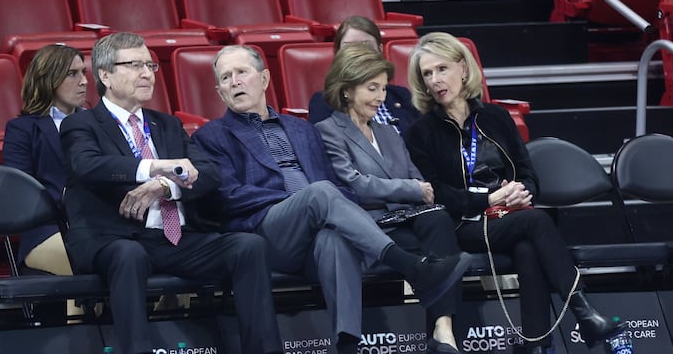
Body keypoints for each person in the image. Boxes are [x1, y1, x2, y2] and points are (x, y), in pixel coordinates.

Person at [192, 44, 471, 354]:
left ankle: (347, 344)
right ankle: (413, 267)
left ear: (265, 78)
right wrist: (302, 201)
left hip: (314, 230)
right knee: (320, 192)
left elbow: (342, 187)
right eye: (226, 78)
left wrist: (318, 206)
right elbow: (229, 198)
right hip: (266, 231)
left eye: (241, 72)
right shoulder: (211, 137)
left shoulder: (301, 129)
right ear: (219, 92)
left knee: (333, 241)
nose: (235, 82)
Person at [59, 33, 282, 354]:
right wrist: (155, 168)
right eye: (135, 65)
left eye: (149, 65)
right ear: (105, 75)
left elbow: (208, 172)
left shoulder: (166, 124)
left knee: (248, 247)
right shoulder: (82, 125)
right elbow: (87, 165)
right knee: (128, 255)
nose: (147, 73)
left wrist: (164, 185)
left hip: (176, 238)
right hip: (116, 237)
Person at [404, 32, 625, 354]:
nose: (436, 80)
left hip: (510, 215)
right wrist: (487, 200)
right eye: (427, 73)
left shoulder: (496, 117)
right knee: (535, 224)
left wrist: (523, 192)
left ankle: (535, 345)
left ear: (463, 69)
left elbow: (527, 173)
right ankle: (584, 313)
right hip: (463, 224)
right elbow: (436, 192)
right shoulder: (421, 132)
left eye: (442, 69)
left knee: (527, 249)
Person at [315, 45, 464, 354]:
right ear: (346, 90)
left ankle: (442, 329)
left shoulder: (389, 132)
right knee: (433, 228)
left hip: (403, 219)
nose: (381, 97)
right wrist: (408, 189)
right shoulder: (327, 130)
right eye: (372, 88)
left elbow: (420, 181)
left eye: (383, 88)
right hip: (366, 224)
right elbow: (354, 184)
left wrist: (412, 189)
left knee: (437, 217)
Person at [3, 44, 86, 282]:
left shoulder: (97, 123)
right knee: (86, 257)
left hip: (95, 225)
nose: (83, 81)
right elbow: (21, 191)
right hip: (47, 229)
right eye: (72, 74)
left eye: (83, 73)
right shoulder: (22, 129)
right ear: (49, 79)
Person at [307, 15, 420, 134]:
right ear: (337, 54)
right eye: (350, 48)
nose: (360, 54)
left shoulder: (400, 95)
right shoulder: (324, 101)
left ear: (380, 50)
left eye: (366, 46)